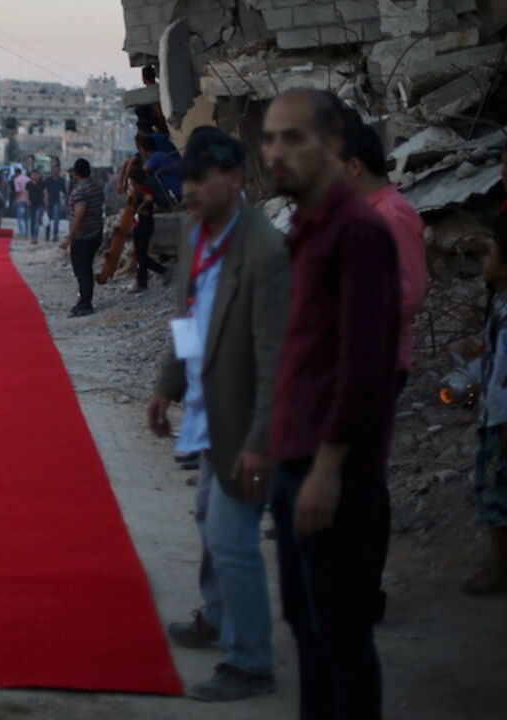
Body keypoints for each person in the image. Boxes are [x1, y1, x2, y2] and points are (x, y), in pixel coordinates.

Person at [262, 88, 399, 720]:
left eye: (293, 138)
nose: (277, 153)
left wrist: (328, 464)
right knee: (308, 630)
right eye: (269, 139)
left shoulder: (359, 232)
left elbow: (363, 362)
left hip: (332, 470)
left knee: (341, 636)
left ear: (334, 145)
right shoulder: (303, 229)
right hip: (295, 458)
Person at [148, 126, 290, 701]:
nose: (189, 192)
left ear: (234, 179)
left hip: (243, 420)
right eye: (186, 181)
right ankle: (216, 614)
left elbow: (275, 360)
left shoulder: (265, 253)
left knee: (232, 540)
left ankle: (250, 660)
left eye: (201, 180)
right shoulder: (196, 234)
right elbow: (187, 320)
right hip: (208, 412)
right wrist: (166, 385)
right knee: (209, 518)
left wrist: (261, 440)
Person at [340, 109, 429, 620]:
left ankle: (366, 591)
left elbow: (409, 292)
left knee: (364, 480)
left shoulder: (391, 213)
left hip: (377, 364)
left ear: (353, 165)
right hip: (352, 362)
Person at [468, 214, 507, 596]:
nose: (484, 261)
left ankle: (499, 571)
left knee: (496, 493)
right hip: (493, 417)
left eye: (491, 254)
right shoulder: (499, 305)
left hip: (501, 424)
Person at [61, 158, 104, 318]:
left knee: (82, 271)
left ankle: (85, 304)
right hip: (95, 232)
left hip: (83, 236)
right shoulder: (97, 187)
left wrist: (69, 238)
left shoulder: (80, 190)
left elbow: (79, 214)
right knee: (86, 269)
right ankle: (84, 301)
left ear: (76, 173)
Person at [127, 162, 169, 292]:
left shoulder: (144, 190)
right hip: (143, 224)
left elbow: (149, 199)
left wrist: (140, 208)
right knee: (141, 254)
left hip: (144, 225)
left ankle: (146, 280)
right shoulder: (142, 189)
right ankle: (148, 277)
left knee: (141, 254)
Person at [138, 134, 182, 208]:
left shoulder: (156, 157)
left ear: (142, 149)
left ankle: (163, 205)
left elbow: (140, 173)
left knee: (146, 181)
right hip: (178, 188)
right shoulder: (159, 154)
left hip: (178, 188)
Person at [43, 165, 67, 242]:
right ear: (52, 170)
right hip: (49, 201)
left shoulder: (61, 180)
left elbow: (64, 192)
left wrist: (65, 201)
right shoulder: (48, 180)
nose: (56, 172)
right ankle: (47, 235)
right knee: (48, 220)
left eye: (57, 170)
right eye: (54, 170)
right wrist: (45, 202)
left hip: (57, 201)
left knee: (56, 220)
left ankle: (55, 235)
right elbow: (45, 191)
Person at [26, 169, 47, 244]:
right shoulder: (28, 184)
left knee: (37, 221)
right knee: (32, 221)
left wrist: (45, 204)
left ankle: (35, 237)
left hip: (39, 204)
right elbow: (27, 193)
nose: (34, 176)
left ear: (38, 175)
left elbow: (45, 194)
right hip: (31, 205)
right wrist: (27, 201)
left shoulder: (42, 183)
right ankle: (32, 236)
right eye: (33, 174)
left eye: (35, 174)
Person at [12, 168, 30, 237]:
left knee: (20, 217)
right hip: (27, 200)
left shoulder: (16, 180)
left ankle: (22, 232)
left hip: (20, 200)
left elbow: (17, 190)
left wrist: (15, 198)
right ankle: (26, 232)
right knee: (26, 217)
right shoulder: (28, 179)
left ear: (16, 173)